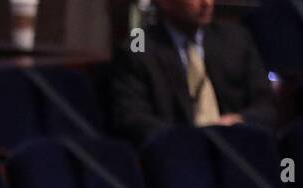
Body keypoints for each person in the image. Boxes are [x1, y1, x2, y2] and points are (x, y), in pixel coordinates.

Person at [110, 0, 275, 146]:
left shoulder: (237, 39)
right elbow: (131, 119)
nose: (207, 3)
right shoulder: (138, 52)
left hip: (236, 149)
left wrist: (239, 121)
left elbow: (267, 105)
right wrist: (192, 140)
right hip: (177, 158)